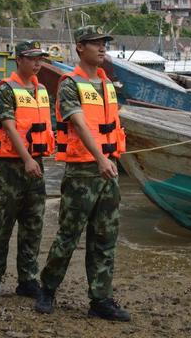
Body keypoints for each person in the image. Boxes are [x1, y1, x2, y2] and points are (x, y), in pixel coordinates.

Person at [35, 26, 130, 322]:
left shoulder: (107, 84)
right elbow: (78, 123)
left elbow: (110, 123)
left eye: (104, 43)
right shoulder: (69, 84)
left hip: (108, 169)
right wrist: (100, 158)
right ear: (80, 47)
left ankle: (100, 298)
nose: (102, 48)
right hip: (83, 171)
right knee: (69, 234)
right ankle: (47, 289)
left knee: (105, 236)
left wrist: (110, 159)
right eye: (95, 43)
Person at [0, 40, 55, 298]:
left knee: (33, 224)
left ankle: (27, 279)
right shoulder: (6, 89)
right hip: (13, 166)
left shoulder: (42, 90)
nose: (38, 63)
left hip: (37, 165)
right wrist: (26, 159)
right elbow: (10, 126)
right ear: (19, 60)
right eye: (33, 58)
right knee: (2, 223)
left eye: (40, 58)